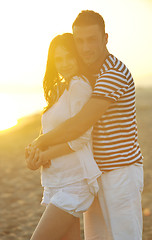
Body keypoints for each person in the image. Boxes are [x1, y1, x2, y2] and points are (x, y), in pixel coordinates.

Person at [28, 10, 144, 240]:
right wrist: (42, 153)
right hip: (93, 173)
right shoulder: (85, 76)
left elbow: (78, 126)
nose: (86, 47)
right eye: (79, 41)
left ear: (105, 38)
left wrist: (39, 142)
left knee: (126, 237)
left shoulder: (113, 73)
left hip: (120, 171)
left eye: (92, 39)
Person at [25, 33, 101, 240]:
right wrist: (36, 156)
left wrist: (44, 154)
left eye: (69, 57)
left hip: (74, 181)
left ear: (77, 56)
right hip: (56, 180)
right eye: (59, 59)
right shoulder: (59, 89)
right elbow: (50, 133)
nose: (65, 64)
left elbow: (80, 139)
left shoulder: (79, 85)